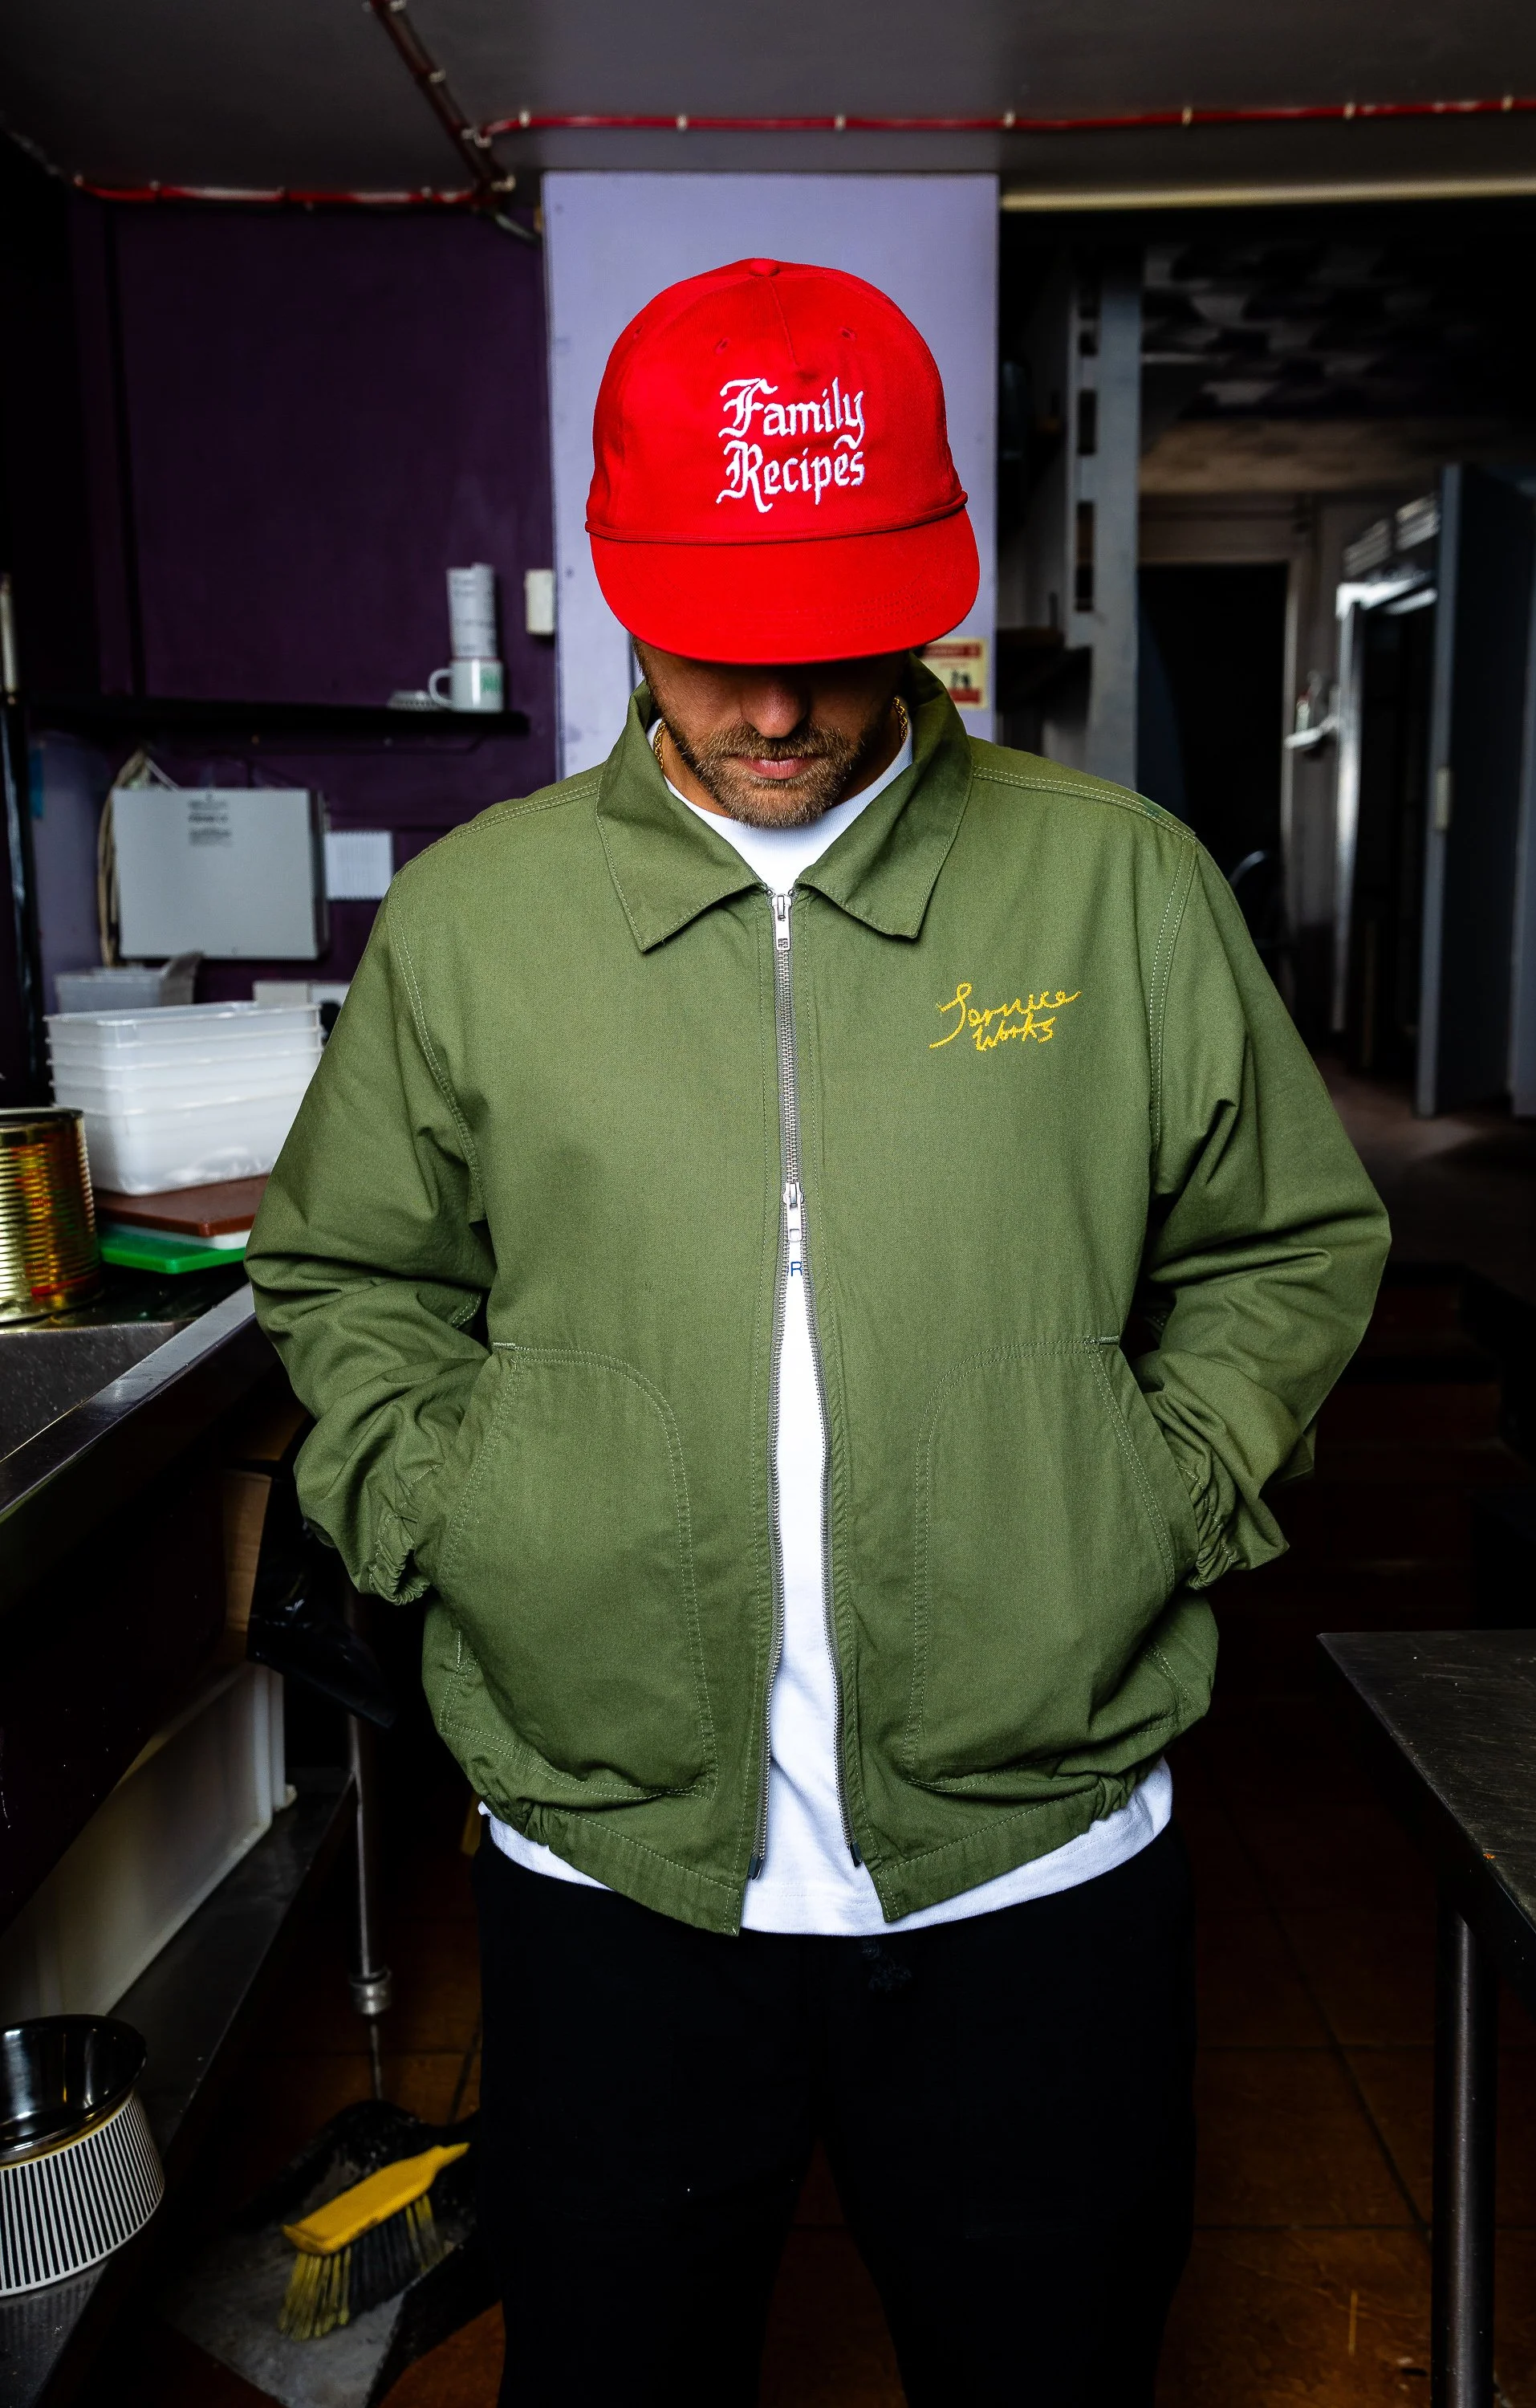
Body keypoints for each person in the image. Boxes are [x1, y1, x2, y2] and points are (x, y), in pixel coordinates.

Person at [247, 256, 1389, 2406]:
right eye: (716, 655)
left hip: (1038, 1857)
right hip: (610, 1860)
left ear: (923, 594)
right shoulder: (478, 920)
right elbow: (347, 1272)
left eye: (831, 657)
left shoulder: (1115, 889)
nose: (775, 718)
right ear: (620, 589)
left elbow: (1286, 1249)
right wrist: (459, 1506)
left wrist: (1160, 1491)